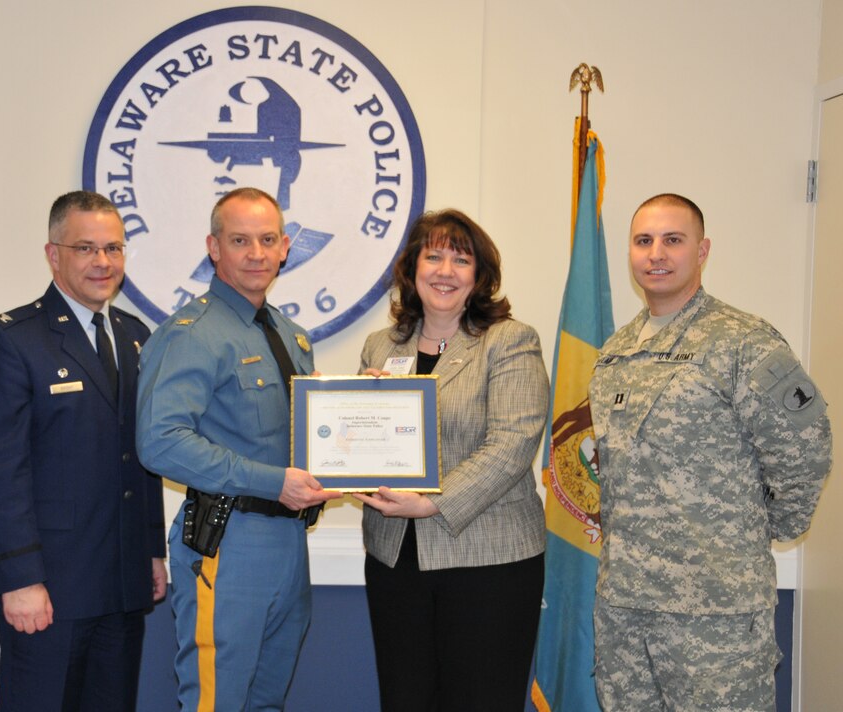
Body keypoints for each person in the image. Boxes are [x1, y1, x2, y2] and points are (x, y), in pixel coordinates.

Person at [589, 193, 832, 711]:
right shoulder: (616, 351)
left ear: (702, 251)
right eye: (644, 241)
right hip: (626, 606)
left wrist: (755, 532)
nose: (657, 253)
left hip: (716, 611)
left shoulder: (742, 341)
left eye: (673, 240)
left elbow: (805, 443)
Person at [136, 187, 341, 711]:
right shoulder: (193, 334)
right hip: (227, 541)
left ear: (285, 248)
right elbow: (160, 442)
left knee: (266, 702)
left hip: (288, 542)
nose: (256, 253)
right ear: (214, 247)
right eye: (239, 240)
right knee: (217, 702)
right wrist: (272, 482)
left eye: (267, 240)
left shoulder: (290, 335)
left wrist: (362, 412)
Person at [0, 191, 166, 710]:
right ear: (53, 255)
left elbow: (141, 456)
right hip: (48, 590)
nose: (103, 262)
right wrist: (20, 579)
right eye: (86, 248)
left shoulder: (135, 337)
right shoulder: (14, 340)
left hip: (120, 584)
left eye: (113, 248)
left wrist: (151, 551)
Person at [353, 209, 549, 711]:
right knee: (406, 700)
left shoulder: (508, 340)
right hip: (396, 561)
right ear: (412, 269)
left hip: (488, 563)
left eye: (461, 260)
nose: (445, 271)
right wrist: (354, 428)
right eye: (433, 256)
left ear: (479, 276)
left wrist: (432, 501)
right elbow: (366, 446)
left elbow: (512, 443)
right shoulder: (381, 345)